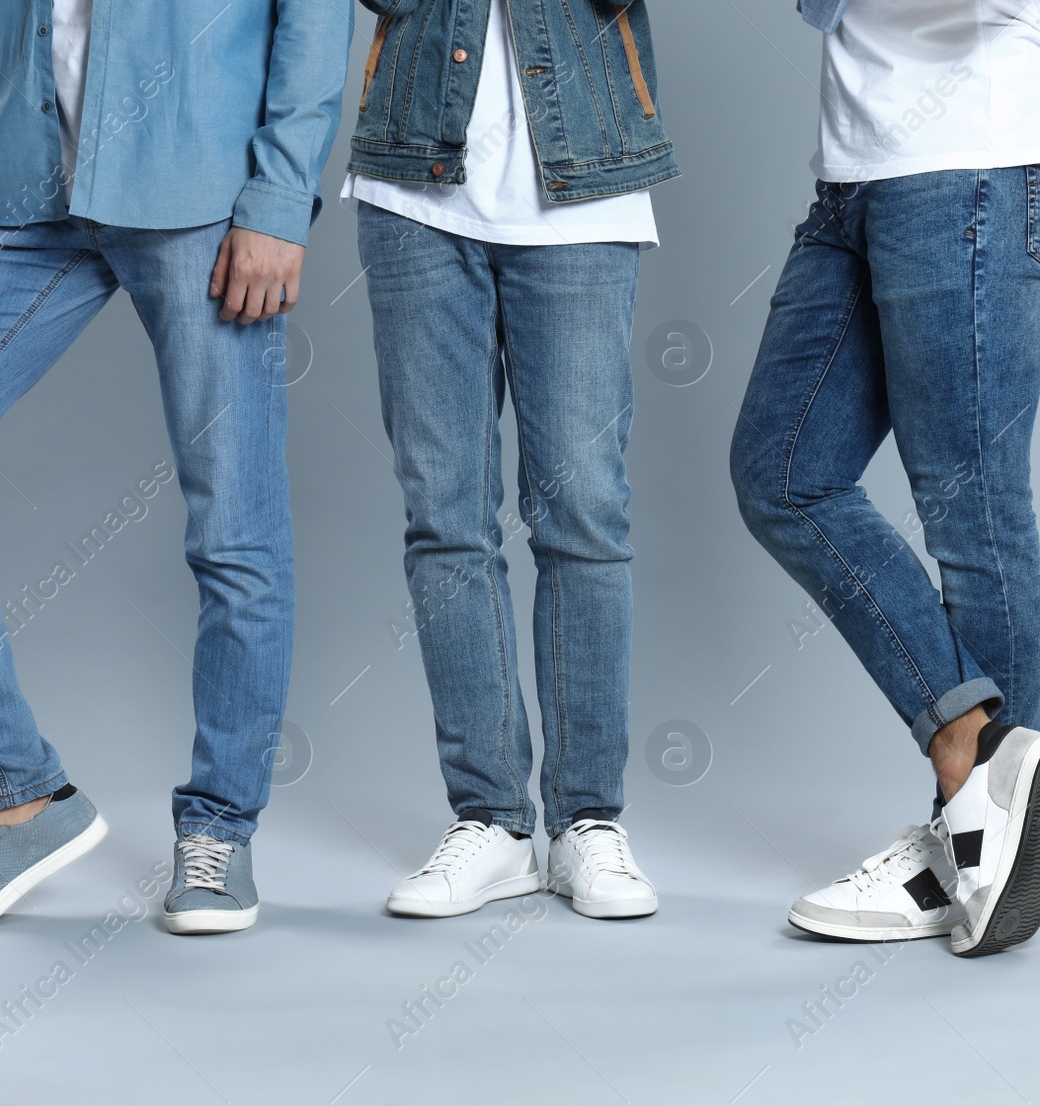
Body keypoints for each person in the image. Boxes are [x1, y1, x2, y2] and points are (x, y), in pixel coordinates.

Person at [0, 0, 352, 934]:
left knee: (234, 529)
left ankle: (221, 831)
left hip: (198, 189)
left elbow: (312, 18)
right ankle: (17, 800)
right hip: (23, 193)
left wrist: (279, 201)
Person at [730, 0, 1040, 955]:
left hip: (974, 146)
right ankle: (977, 794)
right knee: (784, 473)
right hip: (863, 164)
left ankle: (972, 823)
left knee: (971, 504)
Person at [344, 0, 679, 919]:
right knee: (445, 516)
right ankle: (491, 820)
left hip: (586, 185)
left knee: (584, 517)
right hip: (415, 183)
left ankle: (587, 824)